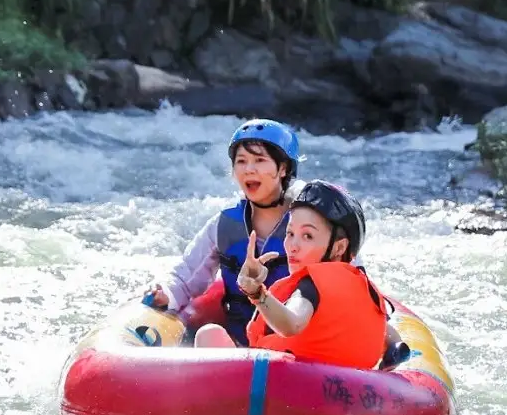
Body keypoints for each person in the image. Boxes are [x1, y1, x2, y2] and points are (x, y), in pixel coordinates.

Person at [195, 181, 391, 370]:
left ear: (339, 247)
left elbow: (291, 324)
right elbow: (392, 340)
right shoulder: (368, 293)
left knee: (209, 334)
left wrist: (256, 293)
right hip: (344, 392)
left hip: (287, 390)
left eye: (307, 236)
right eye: (289, 234)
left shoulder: (310, 287)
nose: (292, 246)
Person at [145, 119, 300, 346]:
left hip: (299, 351)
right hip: (241, 348)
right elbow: (185, 276)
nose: (249, 169)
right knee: (208, 334)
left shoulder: (311, 224)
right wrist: (166, 293)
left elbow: (346, 279)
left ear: (283, 168)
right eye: (241, 161)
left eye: (259, 160)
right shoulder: (224, 224)